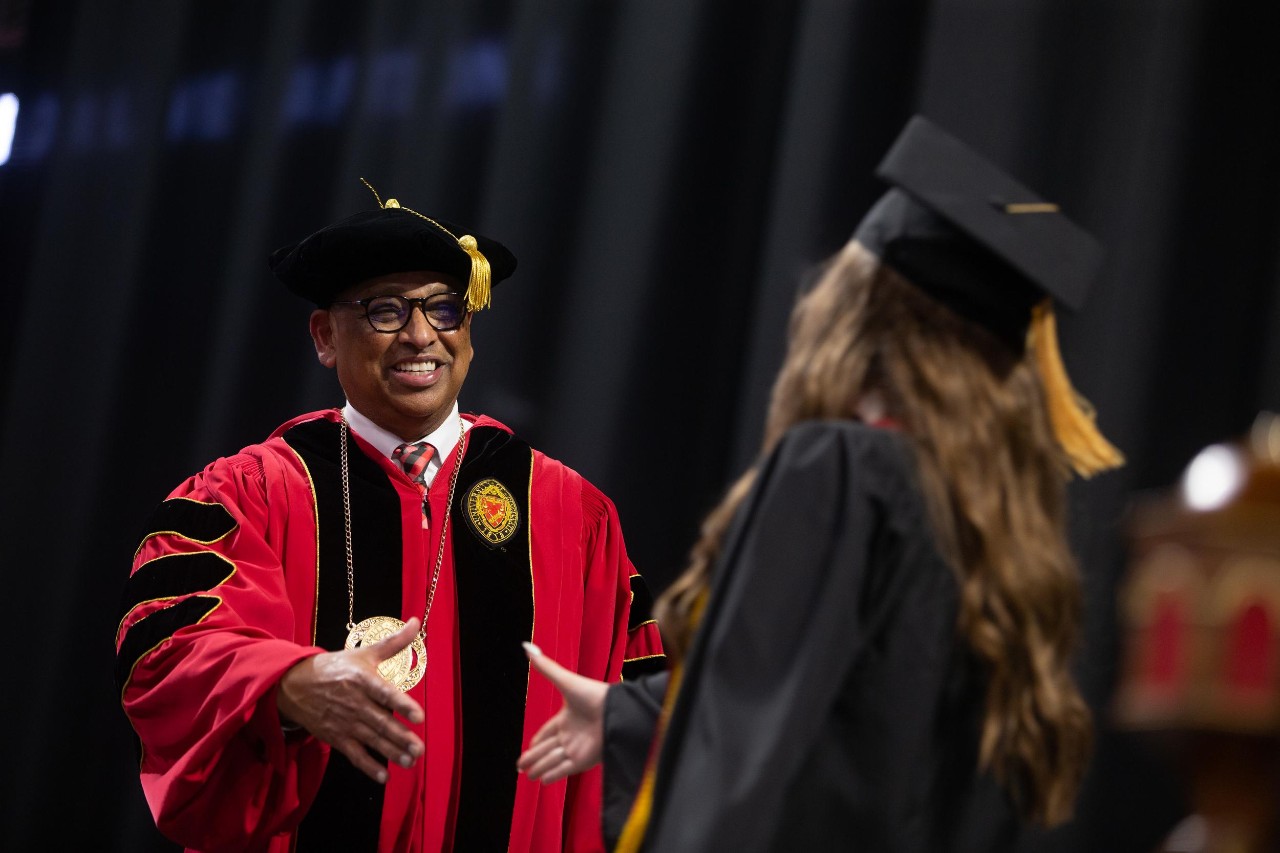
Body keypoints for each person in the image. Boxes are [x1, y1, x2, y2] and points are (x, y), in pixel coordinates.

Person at [516, 115, 1125, 852]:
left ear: (860, 307)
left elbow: (747, 760)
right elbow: (860, 732)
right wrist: (627, 714)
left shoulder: (839, 471)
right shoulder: (1002, 533)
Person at [114, 183, 665, 853]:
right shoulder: (249, 495)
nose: (421, 334)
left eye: (444, 309)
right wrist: (284, 684)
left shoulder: (569, 510)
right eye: (384, 310)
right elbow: (169, 646)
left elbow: (643, 687)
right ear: (324, 335)